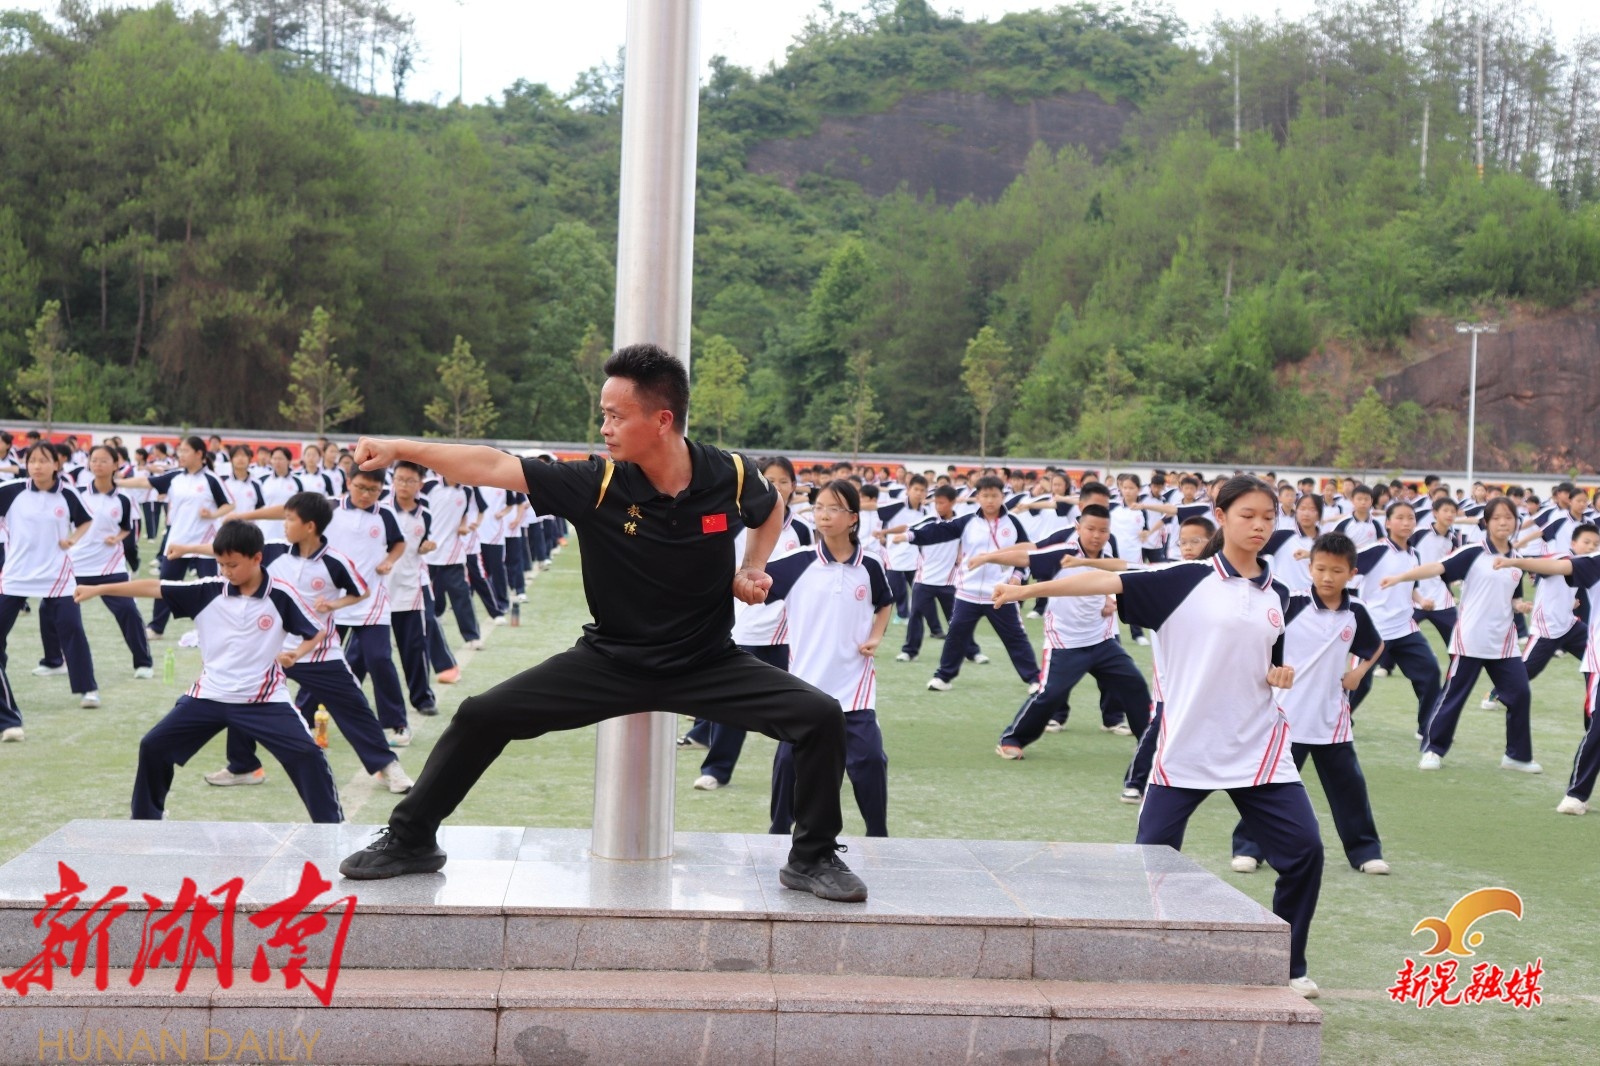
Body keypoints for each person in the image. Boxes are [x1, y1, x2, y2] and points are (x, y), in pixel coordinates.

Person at [336, 344, 869, 903]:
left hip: (707, 661)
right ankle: (411, 838)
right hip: (611, 661)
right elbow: (492, 465)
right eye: (603, 415)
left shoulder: (729, 472)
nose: (604, 428)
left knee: (820, 716)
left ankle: (812, 857)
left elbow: (770, 509)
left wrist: (751, 566)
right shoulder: (596, 482)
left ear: (661, 420)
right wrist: (400, 448)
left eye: (615, 415)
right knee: (480, 715)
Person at [1002, 475, 1324, 999]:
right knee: (1149, 863)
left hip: (1259, 749)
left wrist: (1278, 674)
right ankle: (1143, 962)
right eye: (1247, 515)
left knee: (1305, 852)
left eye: (1268, 516)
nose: (1260, 525)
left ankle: (1287, 964)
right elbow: (1100, 581)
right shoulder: (1183, 579)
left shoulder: (1278, 593)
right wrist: (1028, 590)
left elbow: (1271, 661)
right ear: (1222, 516)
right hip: (1186, 749)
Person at [77, 520, 344, 823]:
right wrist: (99, 589)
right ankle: (146, 820)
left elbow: (316, 631)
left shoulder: (281, 595)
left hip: (263, 700)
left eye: (233, 565)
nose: (226, 572)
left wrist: (296, 653)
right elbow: (154, 587)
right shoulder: (207, 591)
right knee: (153, 746)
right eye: (221, 564)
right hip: (209, 696)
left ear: (257, 558)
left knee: (308, 755)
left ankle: (331, 828)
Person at [168, 491, 413, 795]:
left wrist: (334, 605)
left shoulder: (335, 562)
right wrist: (187, 548)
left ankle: (386, 767)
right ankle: (244, 766)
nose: (284, 524)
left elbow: (361, 590)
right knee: (239, 696)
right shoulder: (272, 551)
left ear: (309, 526)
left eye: (289, 519)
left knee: (354, 707)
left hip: (318, 651)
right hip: (269, 650)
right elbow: (232, 553)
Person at [1230, 533, 1389, 876]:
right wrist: (1269, 671)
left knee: (1350, 790)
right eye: (1320, 569)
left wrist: (1359, 672)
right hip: (1284, 718)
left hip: (1332, 721)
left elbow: (1376, 645)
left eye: (1337, 571)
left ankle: (1365, 852)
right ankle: (1248, 848)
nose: (1327, 577)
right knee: (1267, 788)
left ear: (1352, 573)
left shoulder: (1356, 612)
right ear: (1310, 567)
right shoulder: (1290, 603)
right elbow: (1258, 636)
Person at [765, 479, 893, 838]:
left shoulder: (870, 565)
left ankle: (879, 836)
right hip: (805, 687)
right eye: (819, 507)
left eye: (834, 508)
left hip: (855, 688)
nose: (824, 515)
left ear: (853, 517)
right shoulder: (795, 564)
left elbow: (885, 602)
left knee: (870, 760)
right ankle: (778, 832)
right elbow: (752, 585)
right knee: (788, 762)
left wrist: (876, 636)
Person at [986, 504, 1150, 778]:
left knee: (1134, 684)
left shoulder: (1108, 554)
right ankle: (1012, 739)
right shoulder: (1062, 553)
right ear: (1078, 527)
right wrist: (987, 557)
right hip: (1065, 642)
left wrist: (1110, 600)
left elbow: (1120, 579)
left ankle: (1150, 743)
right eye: (1090, 529)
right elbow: (1026, 557)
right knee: (1050, 694)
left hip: (1102, 640)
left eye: (1103, 531)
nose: (1096, 536)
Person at [1380, 496, 1540, 774]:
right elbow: (1437, 567)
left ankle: (1517, 756)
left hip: (1503, 642)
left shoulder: (1517, 559)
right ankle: (1433, 750)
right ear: (1486, 522)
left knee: (1520, 693)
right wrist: (1401, 578)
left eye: (1509, 517)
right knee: (1453, 696)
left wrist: (1520, 606)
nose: (1503, 522)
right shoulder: (1473, 552)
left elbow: (1513, 597)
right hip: (1471, 639)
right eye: (1497, 518)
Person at [681, 457, 810, 792]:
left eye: (784, 481)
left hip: (786, 634)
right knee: (731, 705)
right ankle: (716, 769)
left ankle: (805, 769)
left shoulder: (804, 530)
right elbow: (698, 533)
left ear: (794, 486)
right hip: (742, 628)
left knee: (796, 705)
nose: (777, 488)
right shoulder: (734, 520)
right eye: (770, 480)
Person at [899, 476, 1040, 693]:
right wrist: (910, 536)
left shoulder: (1013, 523)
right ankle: (943, 677)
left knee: (1015, 637)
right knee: (956, 635)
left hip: (1000, 594)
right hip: (968, 593)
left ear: (1002, 496)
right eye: (985, 495)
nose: (990, 500)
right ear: (978, 497)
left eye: (994, 495)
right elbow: (939, 530)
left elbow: (1026, 553)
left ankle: (1035, 680)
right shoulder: (968, 522)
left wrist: (1018, 576)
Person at [1490, 543, 1600, 815]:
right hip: (1555, 633)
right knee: (1597, 727)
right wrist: (1516, 562)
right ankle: (1576, 794)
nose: (1590, 544)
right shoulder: (1591, 561)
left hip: (1569, 626)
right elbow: (1556, 566)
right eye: (1587, 541)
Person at [0, 443, 100, 713]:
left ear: (56, 464)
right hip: (16, 575)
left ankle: (88, 688)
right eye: (32, 460)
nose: (36, 466)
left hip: (58, 575)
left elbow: (86, 521)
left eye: (43, 460)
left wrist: (73, 539)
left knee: (72, 629)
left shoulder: (67, 494)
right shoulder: (11, 491)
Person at [117, 436, 233, 639]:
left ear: (199, 454)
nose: (181, 455)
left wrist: (213, 515)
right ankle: (156, 628)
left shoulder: (211, 479)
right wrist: (116, 482)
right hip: (177, 542)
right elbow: (145, 482)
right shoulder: (175, 477)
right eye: (180, 451)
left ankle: (216, 628)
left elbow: (229, 504)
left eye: (186, 451)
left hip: (205, 544)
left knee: (212, 586)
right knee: (166, 585)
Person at [1348, 501, 1443, 736]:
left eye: (1410, 518)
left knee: (1430, 672)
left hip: (1404, 628)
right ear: (1388, 523)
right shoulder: (1377, 550)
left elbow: (1411, 587)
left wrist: (1421, 600)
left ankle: (1427, 727)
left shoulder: (1414, 554)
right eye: (1400, 518)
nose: (1406, 522)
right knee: (1359, 682)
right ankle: (1337, 720)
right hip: (1374, 629)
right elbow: (1342, 563)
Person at [69, 445, 154, 680]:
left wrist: (116, 539)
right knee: (53, 610)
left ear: (116, 465)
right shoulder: (76, 494)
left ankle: (143, 663)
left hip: (110, 566)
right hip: (76, 564)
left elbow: (127, 528)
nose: (98, 464)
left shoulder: (124, 499)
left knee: (128, 611)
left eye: (104, 460)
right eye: (94, 460)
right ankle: (54, 660)